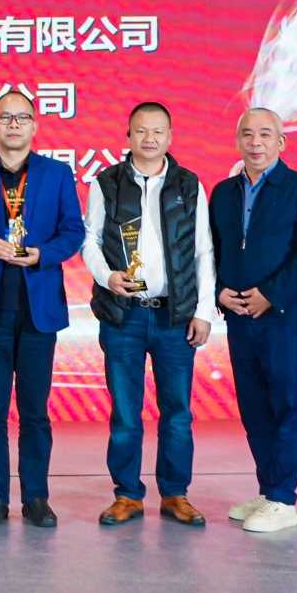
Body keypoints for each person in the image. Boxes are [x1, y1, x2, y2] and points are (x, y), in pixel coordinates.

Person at [0, 90, 84, 528]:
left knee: (35, 412)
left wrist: (43, 254)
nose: (13, 125)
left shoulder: (57, 174)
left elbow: (73, 232)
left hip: (38, 309)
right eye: (5, 117)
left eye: (21, 117)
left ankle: (36, 497)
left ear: (34, 125)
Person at [84, 102, 219, 527]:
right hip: (123, 314)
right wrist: (108, 277)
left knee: (177, 411)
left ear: (170, 137)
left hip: (174, 317)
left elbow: (203, 250)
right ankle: (127, 494)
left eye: (158, 131)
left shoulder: (188, 185)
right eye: (141, 130)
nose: (149, 138)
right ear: (128, 135)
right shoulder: (107, 182)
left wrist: (203, 311)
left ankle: (176, 494)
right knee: (126, 412)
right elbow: (90, 240)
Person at [210, 106, 297, 535]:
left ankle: (284, 498)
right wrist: (219, 291)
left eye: (265, 134)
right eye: (248, 134)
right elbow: (214, 251)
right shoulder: (223, 193)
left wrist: (270, 294)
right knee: (254, 407)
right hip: (239, 317)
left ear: (281, 143)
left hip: (283, 318)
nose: (255, 142)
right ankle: (268, 491)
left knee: (287, 404)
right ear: (238, 141)